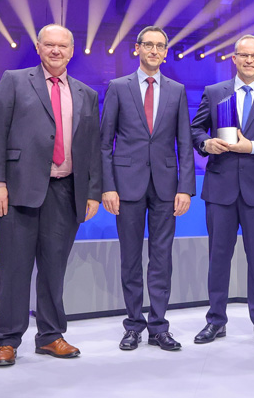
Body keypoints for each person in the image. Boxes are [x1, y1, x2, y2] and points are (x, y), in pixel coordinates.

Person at [0, 24, 102, 367]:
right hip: (18, 189)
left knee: (54, 269)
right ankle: (7, 339)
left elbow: (92, 148)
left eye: (62, 45)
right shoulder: (15, 80)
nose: (55, 50)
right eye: (49, 44)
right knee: (15, 269)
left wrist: (92, 190)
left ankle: (50, 336)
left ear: (72, 50)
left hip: (65, 192)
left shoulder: (86, 94)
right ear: (38, 47)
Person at [189, 35, 254, 346]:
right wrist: (205, 143)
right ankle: (215, 321)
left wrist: (253, 147)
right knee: (218, 257)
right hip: (220, 188)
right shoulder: (214, 92)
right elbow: (196, 129)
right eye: (243, 55)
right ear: (233, 59)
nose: (249, 60)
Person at [100, 25, 195, 351]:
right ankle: (133, 325)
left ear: (166, 53)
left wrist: (186, 187)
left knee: (161, 258)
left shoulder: (177, 90)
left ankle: (158, 326)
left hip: (167, 187)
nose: (154, 51)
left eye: (160, 46)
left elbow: (185, 143)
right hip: (126, 186)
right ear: (137, 49)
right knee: (129, 259)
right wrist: (107, 187)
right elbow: (104, 144)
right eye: (148, 45)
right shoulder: (118, 87)